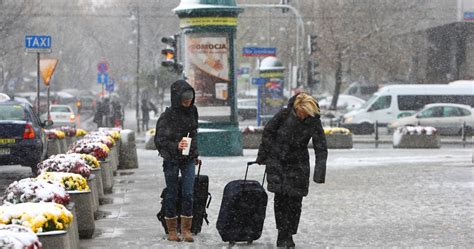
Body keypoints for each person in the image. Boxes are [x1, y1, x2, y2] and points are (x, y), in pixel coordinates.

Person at [256, 92, 328, 248]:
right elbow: (268, 132)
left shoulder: (314, 120)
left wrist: (319, 172)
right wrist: (263, 156)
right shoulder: (284, 114)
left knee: (295, 201)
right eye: (302, 113)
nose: (303, 116)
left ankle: (289, 233)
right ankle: (283, 234)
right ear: (297, 108)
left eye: (306, 114)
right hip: (278, 161)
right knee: (281, 199)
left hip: (299, 163)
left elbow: (321, 146)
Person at [154, 80, 199, 243]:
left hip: (188, 158)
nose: (188, 102)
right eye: (185, 99)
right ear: (177, 98)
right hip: (171, 159)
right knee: (172, 193)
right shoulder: (167, 117)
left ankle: (186, 229)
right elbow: (159, 140)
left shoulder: (193, 111)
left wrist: (195, 153)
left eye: (190, 99)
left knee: (188, 192)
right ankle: (172, 229)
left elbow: (194, 134)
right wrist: (176, 145)